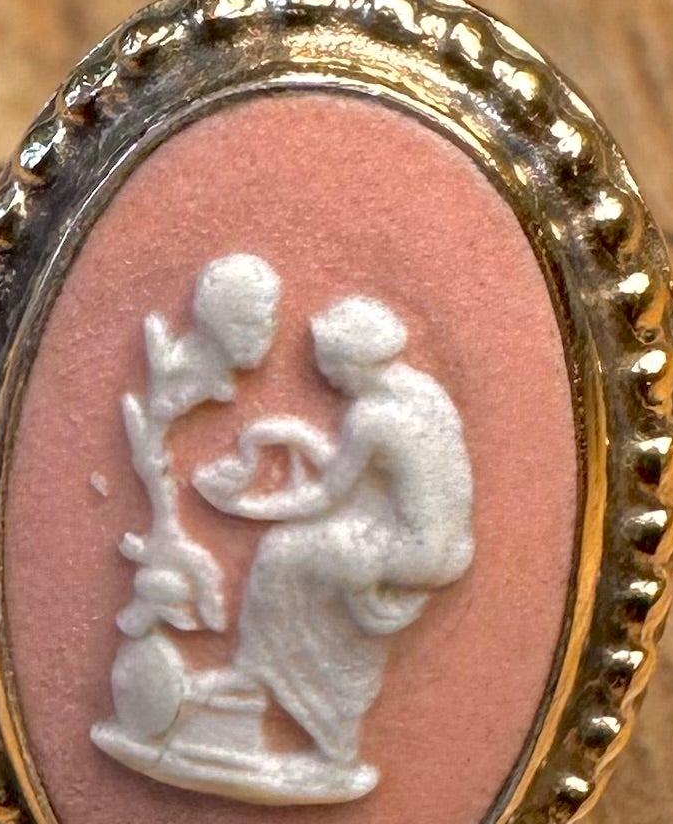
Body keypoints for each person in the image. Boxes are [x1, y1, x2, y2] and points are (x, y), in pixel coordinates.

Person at [193, 296, 474, 773]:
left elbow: (326, 496)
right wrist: (296, 438)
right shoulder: (424, 393)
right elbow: (387, 482)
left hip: (407, 552)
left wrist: (240, 506)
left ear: (356, 361)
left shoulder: (370, 417)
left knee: (280, 555)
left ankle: (314, 721)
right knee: (306, 556)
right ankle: (264, 680)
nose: (327, 378)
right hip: (448, 548)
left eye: (331, 367)